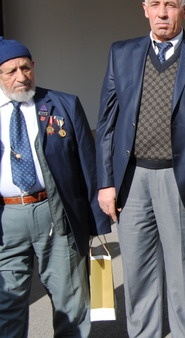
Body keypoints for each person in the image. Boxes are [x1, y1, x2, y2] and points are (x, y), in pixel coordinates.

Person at [95, 0, 185, 337]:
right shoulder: (121, 53)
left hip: (181, 179)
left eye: (170, 5)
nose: (162, 13)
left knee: (184, 275)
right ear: (145, 10)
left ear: (184, 10)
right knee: (138, 275)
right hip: (132, 181)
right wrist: (105, 183)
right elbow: (106, 124)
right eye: (155, 5)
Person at [0, 37, 110, 337]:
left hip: (55, 213)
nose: (21, 77)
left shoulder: (63, 104)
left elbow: (87, 165)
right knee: (7, 304)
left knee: (70, 298)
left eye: (26, 68)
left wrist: (96, 223)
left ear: (34, 66)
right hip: (7, 220)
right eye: (10, 71)